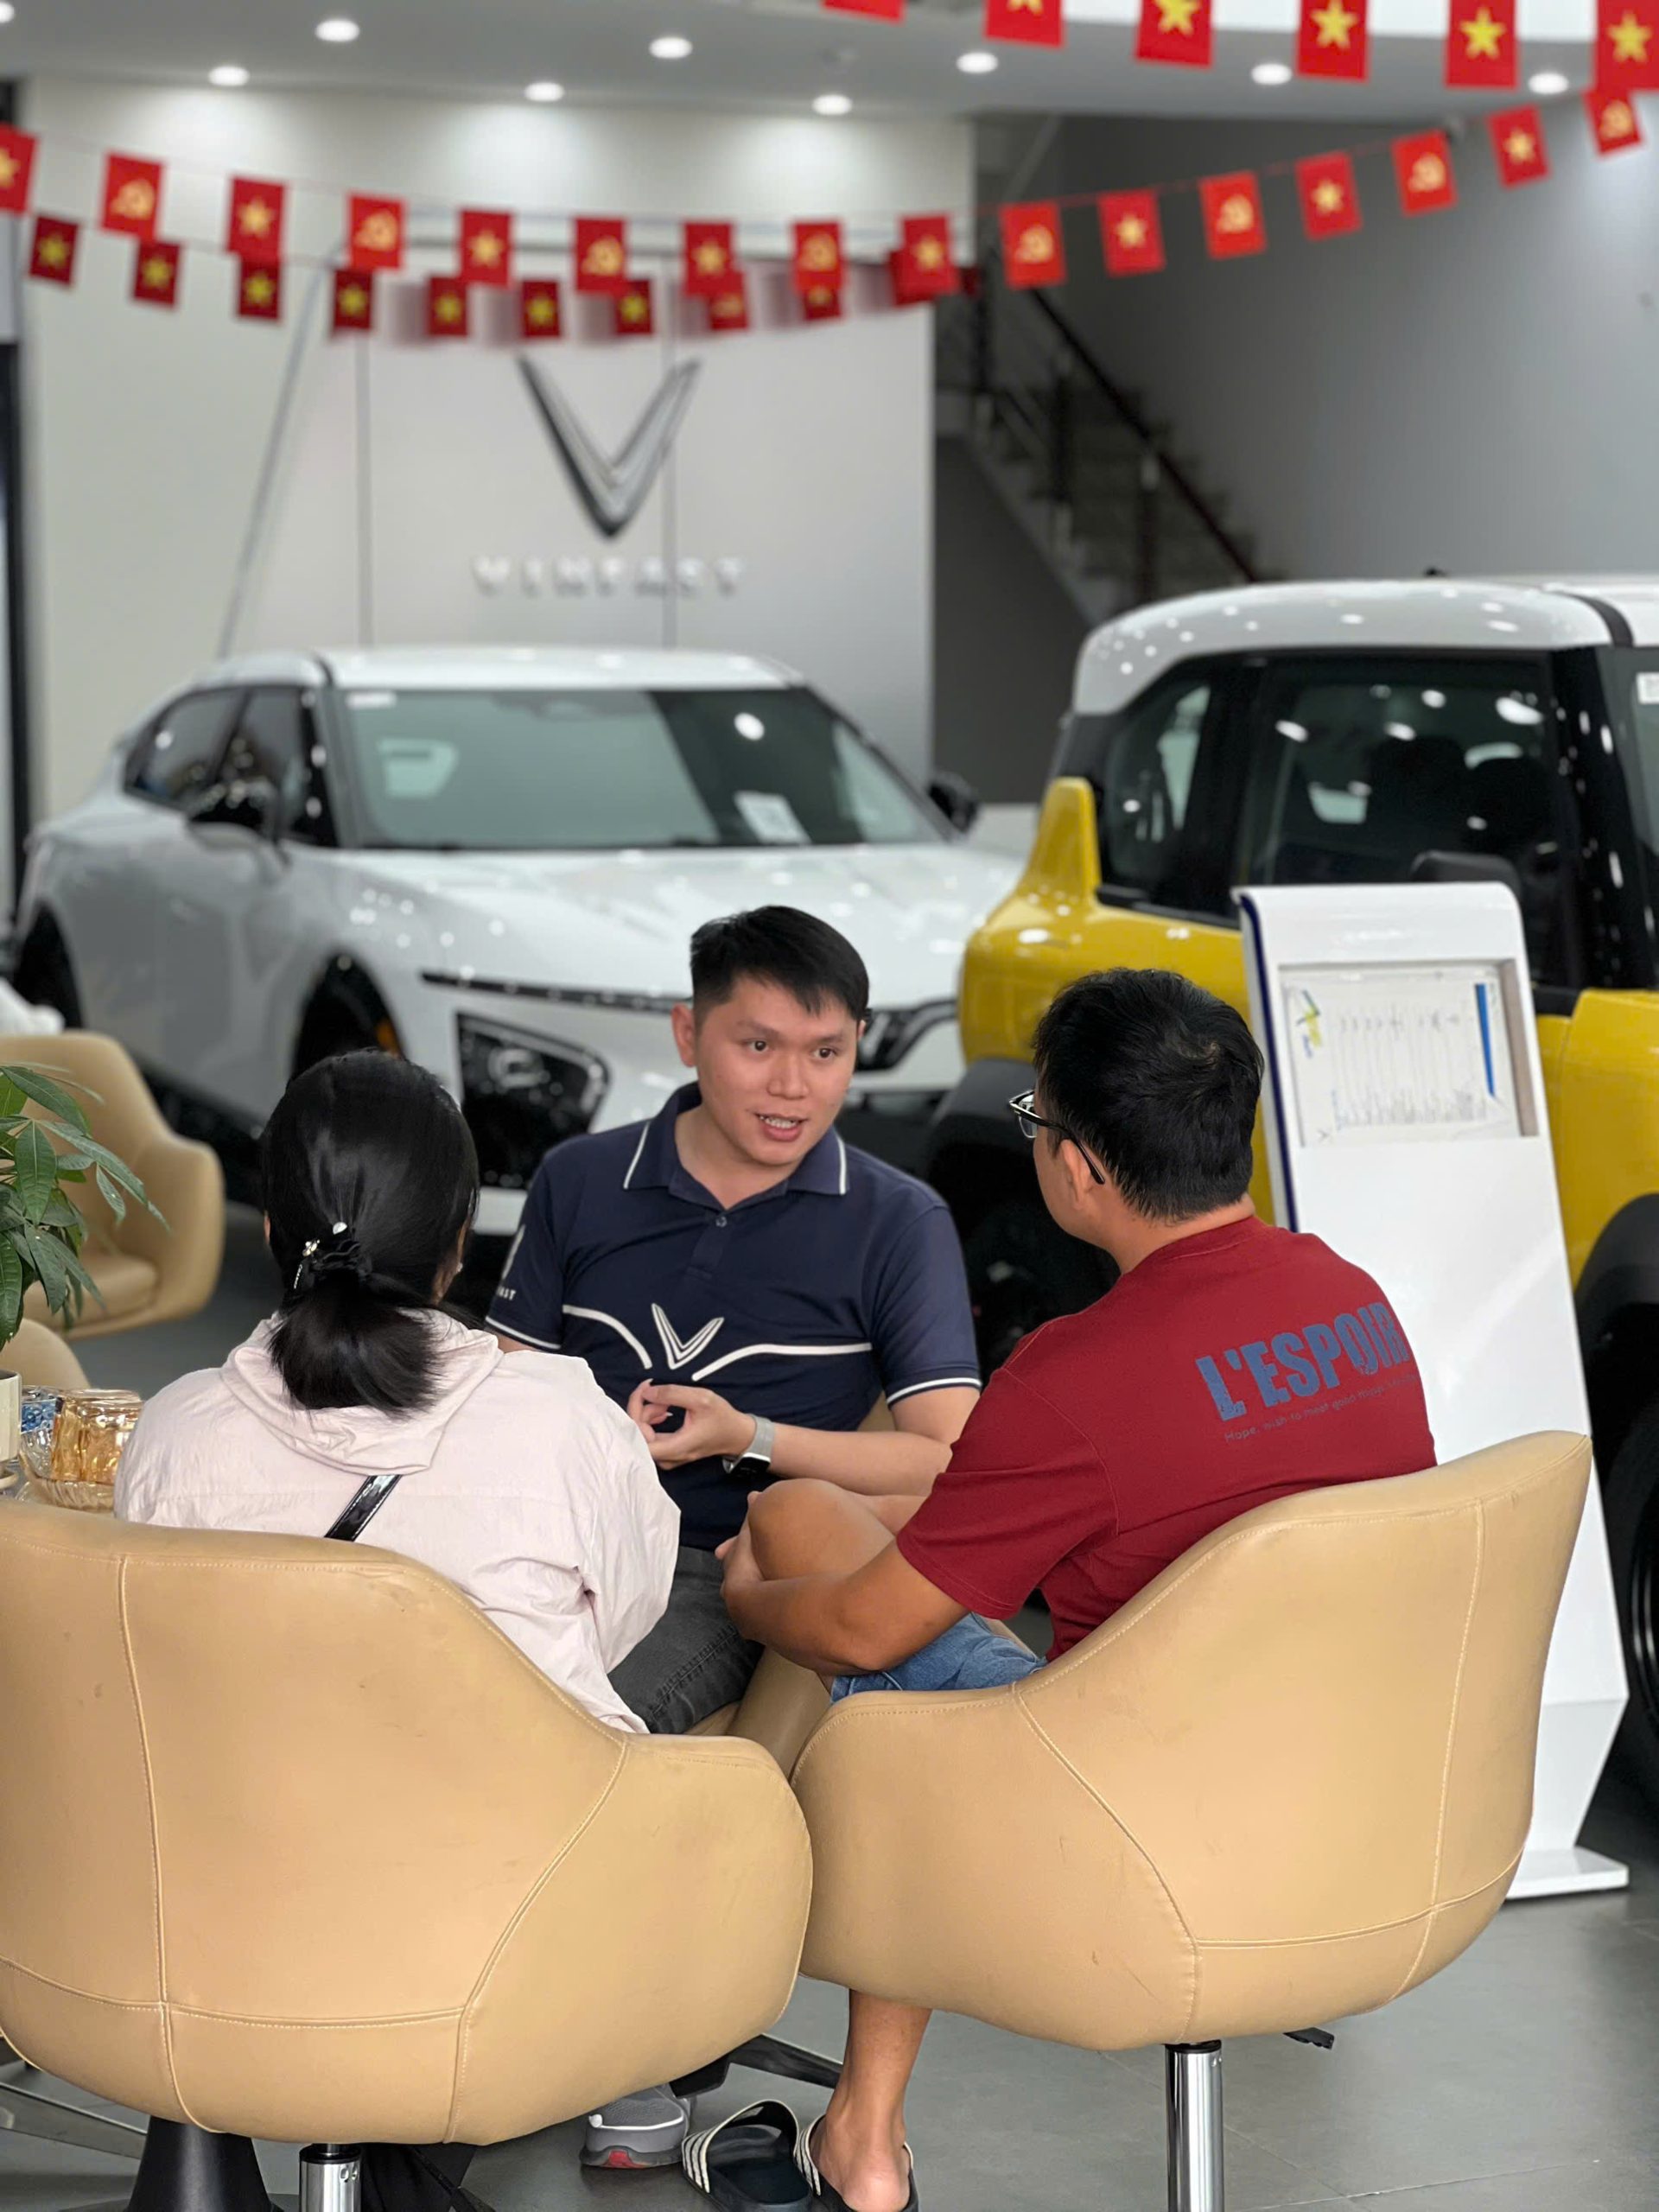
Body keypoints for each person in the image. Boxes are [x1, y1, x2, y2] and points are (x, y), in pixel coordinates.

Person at [720, 967, 1438, 2212]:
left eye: (1036, 1117)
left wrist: (747, 1602)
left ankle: (859, 2139)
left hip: (1131, 1835)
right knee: (825, 1522)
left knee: (835, 1609)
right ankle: (859, 2134)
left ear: (1083, 1166)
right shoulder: (1353, 1301)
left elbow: (869, 1629)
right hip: (1363, 1816)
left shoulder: (1074, 1379)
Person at [486, 904, 980, 2169]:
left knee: (556, 1729)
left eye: (827, 1053)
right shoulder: (582, 1179)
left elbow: (947, 1456)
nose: (793, 1086)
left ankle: (625, 2032)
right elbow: (502, 1384)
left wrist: (751, 1435)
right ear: (687, 1033)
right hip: (550, 1539)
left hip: (723, 1565)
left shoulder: (896, 1217)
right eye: (758, 1046)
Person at [118, 1050, 678, 1734]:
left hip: (240, 1794)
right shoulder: (568, 1426)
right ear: (458, 1246)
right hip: (525, 1796)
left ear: (269, 1229)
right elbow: (623, 1619)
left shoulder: (174, 1432)